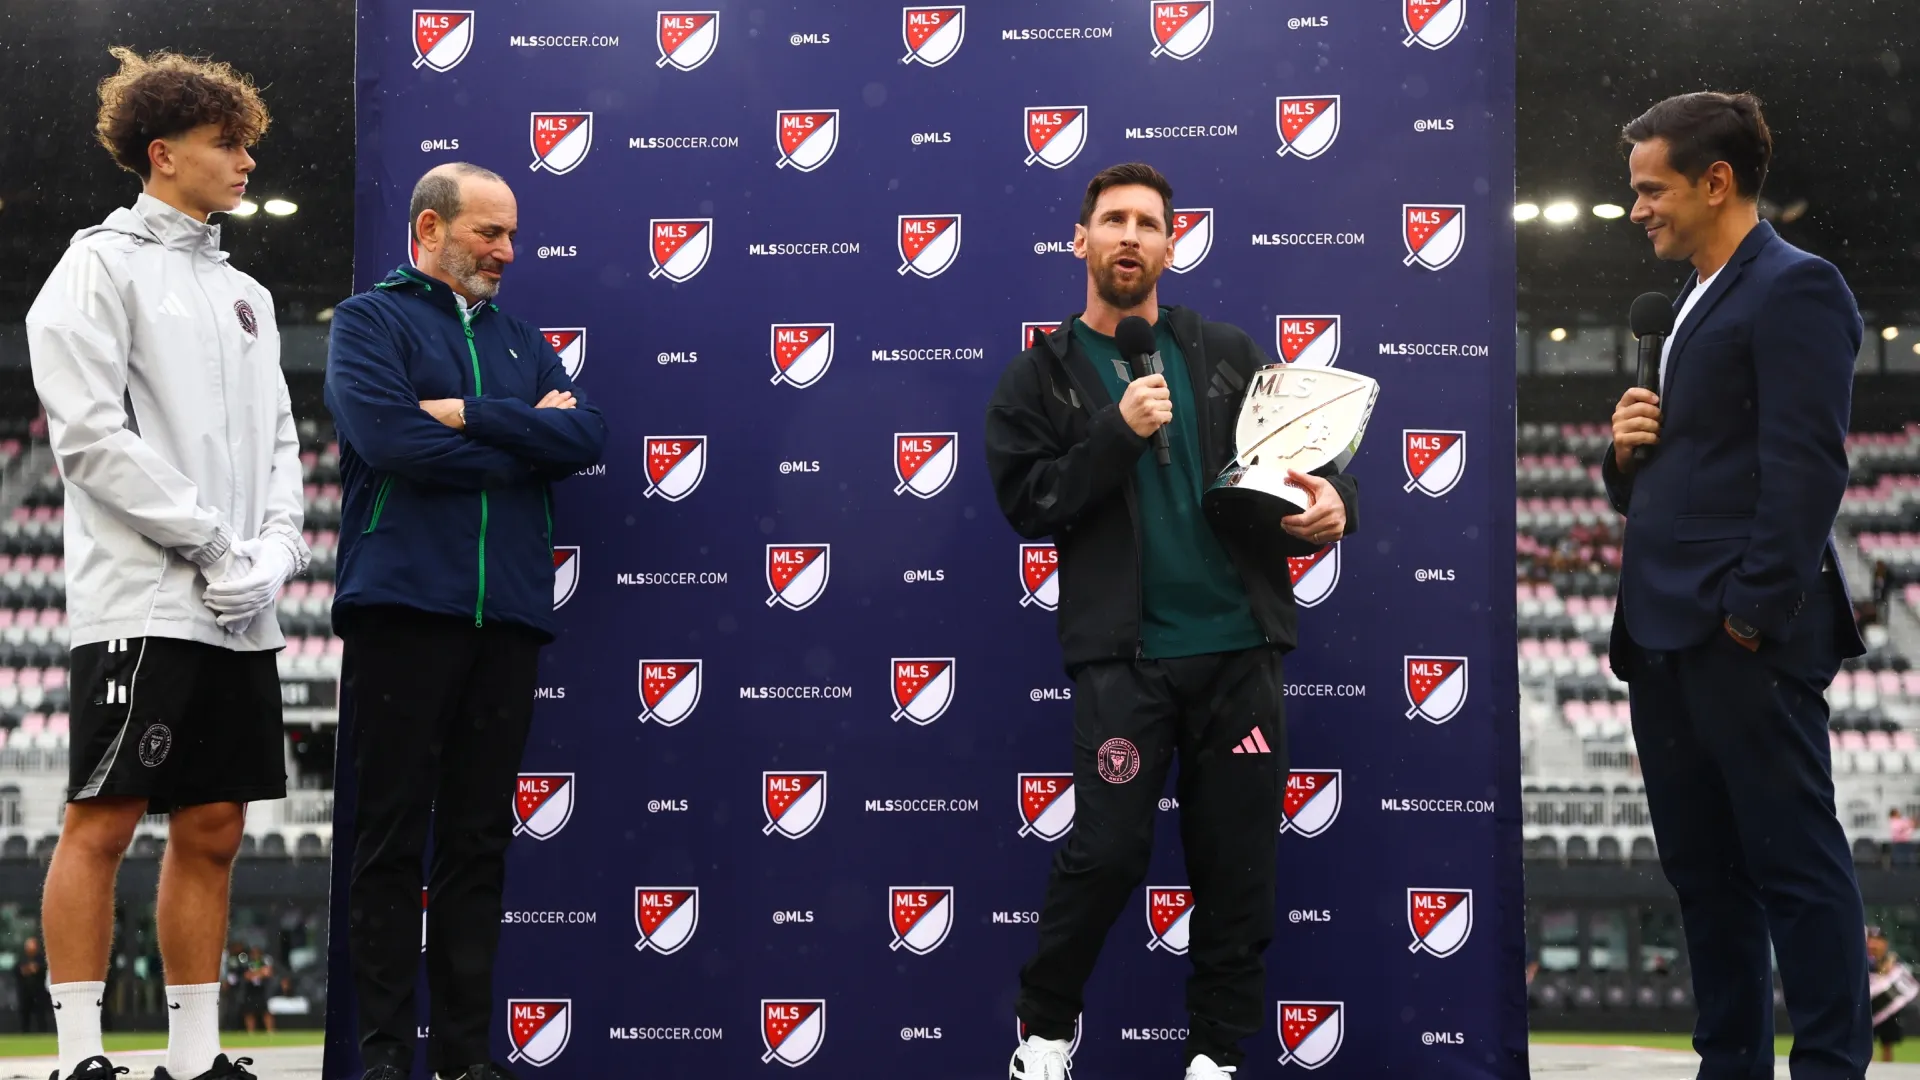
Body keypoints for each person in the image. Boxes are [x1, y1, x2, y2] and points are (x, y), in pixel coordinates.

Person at [985, 163, 1358, 1080]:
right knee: (1105, 853)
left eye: (1148, 224)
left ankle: (1216, 1057)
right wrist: (1116, 430)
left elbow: (1296, 460)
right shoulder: (1039, 375)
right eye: (1111, 220)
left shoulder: (1224, 350)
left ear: (1171, 243)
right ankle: (1043, 1033)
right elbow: (1030, 503)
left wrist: (1335, 503)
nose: (1129, 237)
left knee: (1237, 873)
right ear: (1080, 239)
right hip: (1127, 662)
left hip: (1239, 655)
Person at [25, 46, 305, 1080]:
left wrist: (274, 551)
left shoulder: (249, 295)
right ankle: (80, 1056)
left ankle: (195, 1057)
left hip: (241, 605)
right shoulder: (95, 266)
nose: (243, 162)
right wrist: (213, 542)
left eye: (246, 145)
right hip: (142, 596)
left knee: (219, 824)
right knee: (101, 820)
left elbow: (282, 439)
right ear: (161, 154)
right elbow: (91, 439)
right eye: (225, 145)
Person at [1604, 92, 1872, 1079]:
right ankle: (1730, 1067)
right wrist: (1623, 457)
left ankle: (1833, 1068)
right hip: (1665, 630)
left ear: (1716, 181)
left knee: (1795, 868)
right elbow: (1686, 476)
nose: (1636, 208)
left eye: (1650, 188)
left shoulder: (1796, 287)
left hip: (1738, 630)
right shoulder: (1685, 304)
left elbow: (1808, 468)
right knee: (1704, 878)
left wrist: (1751, 616)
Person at [325, 162, 607, 1080]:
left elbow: (585, 438)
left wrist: (473, 416)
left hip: (508, 619)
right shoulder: (371, 321)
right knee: (389, 839)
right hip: (402, 609)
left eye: (512, 235)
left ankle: (462, 1059)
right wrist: (523, 436)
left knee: (479, 842)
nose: (506, 252)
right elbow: (389, 441)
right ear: (430, 229)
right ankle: (381, 1061)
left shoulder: (526, 340)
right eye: (489, 233)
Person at [1867, 926, 1918, 1064]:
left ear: (1885, 943)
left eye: (1878, 940)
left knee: (1887, 1042)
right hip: (1868, 1006)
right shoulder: (1863, 960)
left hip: (1886, 1006)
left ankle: (1888, 1072)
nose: (1873, 944)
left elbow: (1904, 977)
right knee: (1865, 1041)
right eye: (1871, 940)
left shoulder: (1893, 959)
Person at [15, 937, 50, 1034]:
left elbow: (44, 969)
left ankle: (43, 1032)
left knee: (41, 1013)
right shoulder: (22, 958)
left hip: (38, 990)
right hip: (25, 991)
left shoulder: (41, 958)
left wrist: (36, 969)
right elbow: (16, 970)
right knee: (24, 1013)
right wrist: (25, 970)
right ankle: (24, 1032)